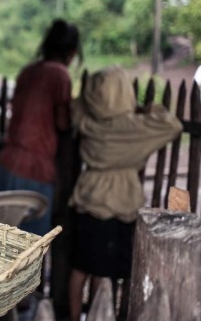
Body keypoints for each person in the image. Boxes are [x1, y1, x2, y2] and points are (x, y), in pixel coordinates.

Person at [67, 65, 182, 321]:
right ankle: (99, 316)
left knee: (79, 268)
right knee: (102, 271)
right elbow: (172, 125)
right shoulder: (134, 128)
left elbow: (76, 106)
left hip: (87, 198)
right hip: (117, 204)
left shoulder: (87, 122)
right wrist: (148, 108)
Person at [0, 19, 81, 236]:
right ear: (71, 52)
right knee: (30, 246)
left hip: (7, 164)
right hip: (34, 171)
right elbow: (62, 123)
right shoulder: (60, 75)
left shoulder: (29, 71)